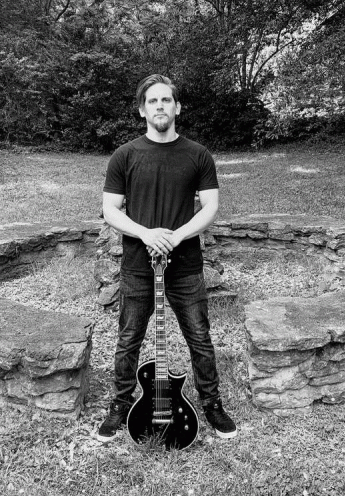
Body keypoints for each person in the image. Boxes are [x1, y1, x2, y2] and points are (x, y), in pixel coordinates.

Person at [97, 74, 237, 442]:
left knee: (199, 337)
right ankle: (121, 405)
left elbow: (211, 207)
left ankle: (212, 405)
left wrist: (176, 236)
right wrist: (146, 234)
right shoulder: (125, 155)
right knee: (129, 337)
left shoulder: (198, 154)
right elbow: (110, 210)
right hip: (138, 265)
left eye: (166, 100)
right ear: (142, 110)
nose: (160, 106)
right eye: (153, 101)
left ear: (177, 107)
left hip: (185, 264)